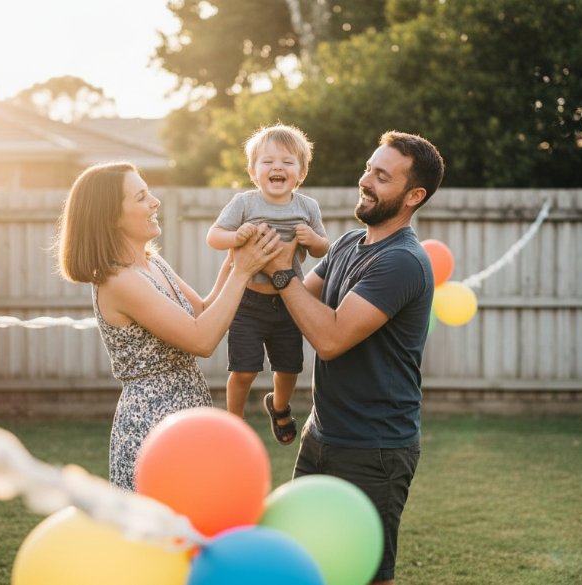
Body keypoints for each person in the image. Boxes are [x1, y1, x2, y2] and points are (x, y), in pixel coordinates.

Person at [263, 131, 445, 584]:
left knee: (366, 573)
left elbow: (331, 337)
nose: (365, 180)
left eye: (381, 177)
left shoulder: (402, 261)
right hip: (321, 435)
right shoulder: (346, 244)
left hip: (376, 449)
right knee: (301, 559)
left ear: (413, 195)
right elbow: (290, 307)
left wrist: (281, 269)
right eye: (368, 168)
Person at [55, 162, 279, 491]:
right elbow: (201, 339)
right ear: (111, 217)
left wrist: (235, 258)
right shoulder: (119, 281)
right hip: (153, 424)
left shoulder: (152, 262)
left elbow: (202, 310)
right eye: (141, 197)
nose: (155, 202)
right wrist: (243, 272)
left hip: (188, 412)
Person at [206, 124, 329, 445]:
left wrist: (312, 238)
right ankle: (234, 421)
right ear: (253, 171)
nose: (277, 167)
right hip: (248, 302)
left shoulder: (307, 208)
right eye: (268, 161)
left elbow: (321, 249)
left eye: (288, 162)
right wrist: (237, 236)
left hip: (289, 303)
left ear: (300, 173)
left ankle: (279, 406)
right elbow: (214, 237)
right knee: (244, 370)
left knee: (289, 368)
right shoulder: (244, 204)